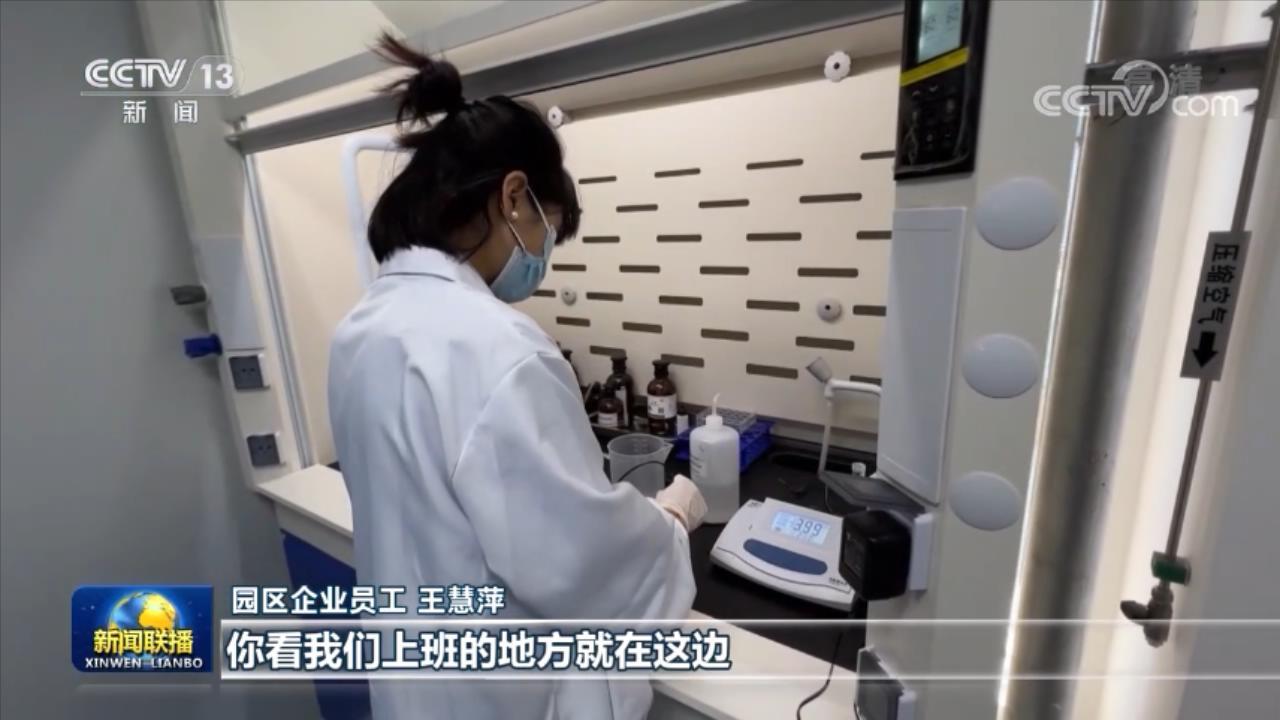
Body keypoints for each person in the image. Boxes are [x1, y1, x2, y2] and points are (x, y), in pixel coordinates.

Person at [327, 35, 708, 720]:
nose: (544, 256)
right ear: (512, 197)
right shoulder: (498, 349)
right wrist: (671, 522)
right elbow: (583, 564)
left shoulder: (361, 329)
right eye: (548, 229)